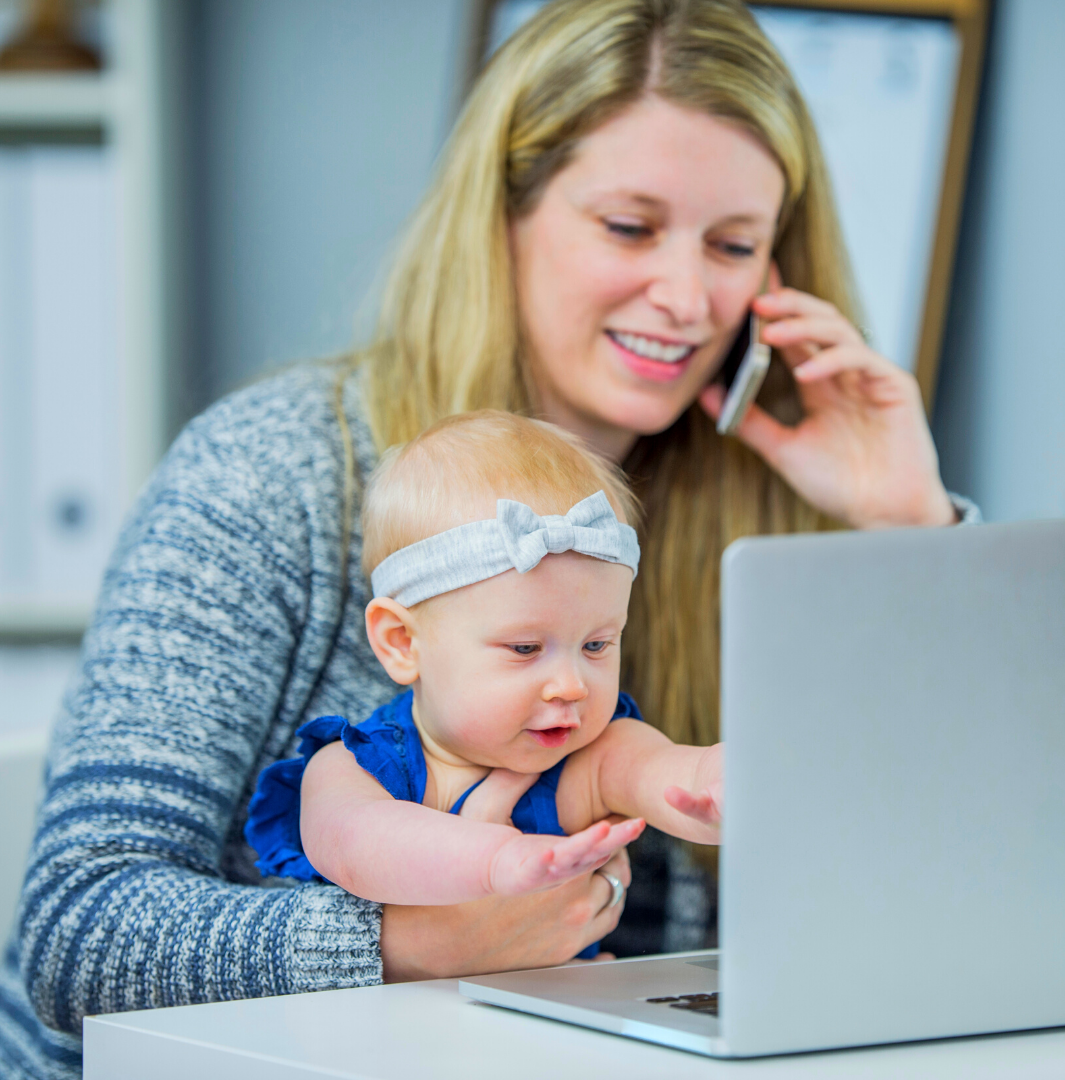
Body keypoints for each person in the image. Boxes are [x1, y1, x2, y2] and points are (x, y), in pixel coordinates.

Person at [0, 1, 977, 1076]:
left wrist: (908, 527)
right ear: (502, 214)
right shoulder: (274, 474)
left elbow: (934, 893)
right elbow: (77, 934)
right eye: (629, 226)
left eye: (736, 245)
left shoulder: (753, 505)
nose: (690, 296)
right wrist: (411, 946)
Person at [244, 412, 720, 943]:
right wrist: (500, 861)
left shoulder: (592, 755)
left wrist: (723, 789)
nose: (571, 685)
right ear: (402, 643)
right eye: (524, 648)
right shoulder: (356, 769)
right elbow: (357, 848)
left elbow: (668, 773)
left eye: (596, 645)